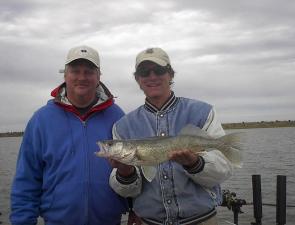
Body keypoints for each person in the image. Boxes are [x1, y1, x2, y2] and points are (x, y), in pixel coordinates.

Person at [109, 47, 234, 225]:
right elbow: (127, 192)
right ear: (138, 79)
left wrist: (195, 163)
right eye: (145, 72)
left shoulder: (202, 112)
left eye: (159, 70)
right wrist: (125, 172)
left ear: (170, 74)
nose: (152, 76)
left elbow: (224, 170)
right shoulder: (122, 126)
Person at [10, 45, 128, 225]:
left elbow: (135, 171)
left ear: (98, 77)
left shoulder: (118, 117)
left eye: (89, 71)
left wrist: (137, 209)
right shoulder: (41, 120)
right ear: (65, 75)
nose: (82, 77)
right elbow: (26, 180)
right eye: (75, 71)